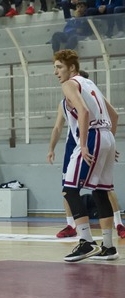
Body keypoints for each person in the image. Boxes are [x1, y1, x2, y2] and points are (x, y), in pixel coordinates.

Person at [53, 50, 119, 262]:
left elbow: (83, 111)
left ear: (72, 68)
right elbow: (114, 115)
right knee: (100, 191)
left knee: (69, 190)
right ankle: (108, 247)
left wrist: (82, 144)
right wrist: (109, 140)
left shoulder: (69, 84)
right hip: (106, 136)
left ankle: (86, 241)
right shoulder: (90, 84)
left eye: (59, 67)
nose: (56, 72)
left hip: (92, 136)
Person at [47, 71, 125, 240]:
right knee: (85, 189)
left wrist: (91, 143)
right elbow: (58, 127)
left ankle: (112, 226)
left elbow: (97, 114)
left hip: (90, 140)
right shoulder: (65, 102)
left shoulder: (89, 96)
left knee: (84, 190)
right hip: (77, 143)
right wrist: (51, 148)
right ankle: (72, 225)